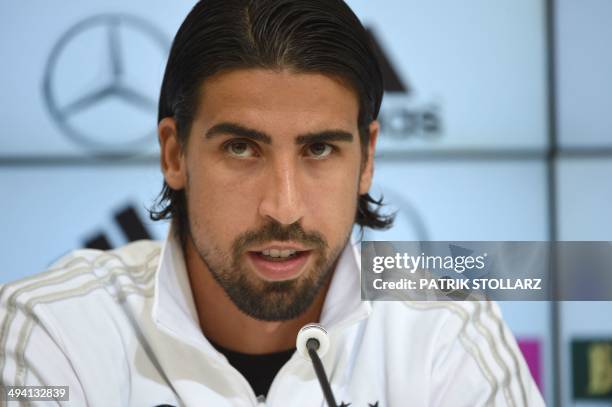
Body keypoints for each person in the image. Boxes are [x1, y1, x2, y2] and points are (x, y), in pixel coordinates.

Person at [0, 0, 545, 405]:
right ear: (174, 154)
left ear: (368, 156)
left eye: (319, 148)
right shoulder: (57, 328)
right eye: (241, 148)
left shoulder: (445, 330)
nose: (283, 208)